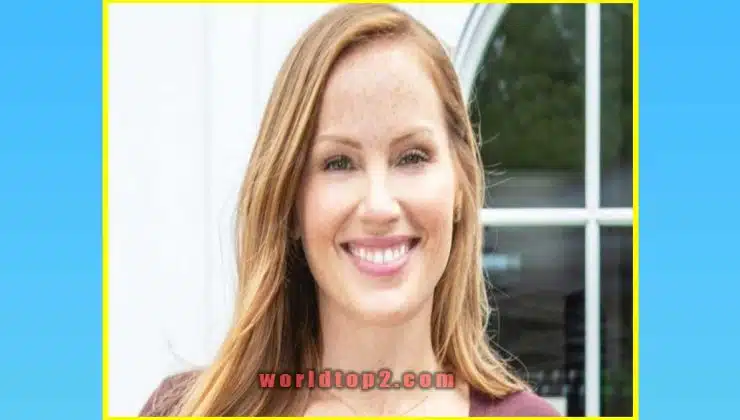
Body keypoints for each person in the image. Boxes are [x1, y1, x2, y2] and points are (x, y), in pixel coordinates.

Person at [139, 4, 560, 417]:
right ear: (290, 202)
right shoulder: (186, 411)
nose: (379, 206)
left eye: (412, 157)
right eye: (338, 163)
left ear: (460, 185)